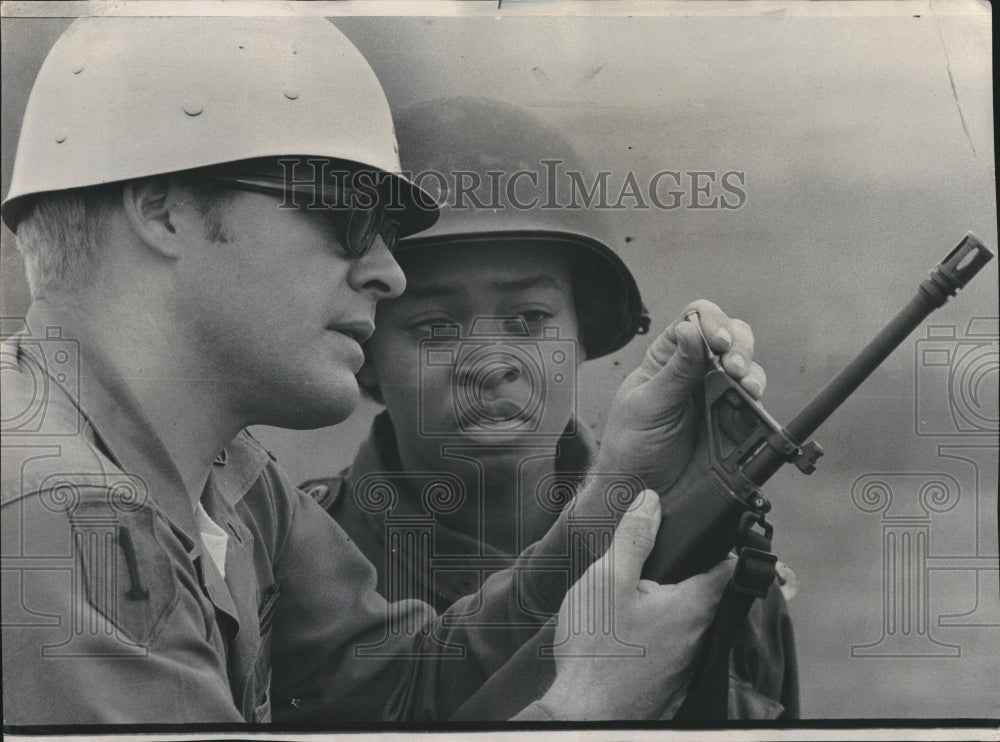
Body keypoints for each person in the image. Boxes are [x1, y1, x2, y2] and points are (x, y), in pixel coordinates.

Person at [3, 17, 755, 725]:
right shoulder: (56, 514)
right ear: (163, 210)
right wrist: (581, 715)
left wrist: (617, 487)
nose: (389, 274)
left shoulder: (228, 477)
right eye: (349, 218)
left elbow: (404, 688)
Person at [302, 97, 798, 719]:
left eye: (530, 319)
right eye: (433, 328)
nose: (491, 362)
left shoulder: (697, 563)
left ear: (584, 332)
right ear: (365, 346)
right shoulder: (303, 560)